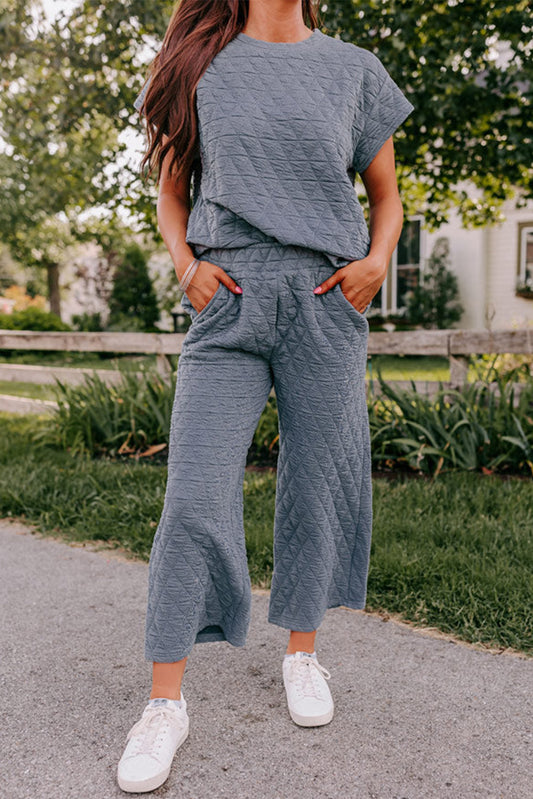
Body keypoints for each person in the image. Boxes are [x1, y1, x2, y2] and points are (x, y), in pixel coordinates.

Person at [117, 0, 414, 793]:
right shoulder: (199, 62)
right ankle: (164, 703)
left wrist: (377, 261)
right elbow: (171, 192)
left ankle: (302, 652)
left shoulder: (353, 71)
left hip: (325, 298)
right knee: (193, 493)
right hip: (230, 298)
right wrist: (186, 267)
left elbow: (385, 194)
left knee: (317, 484)